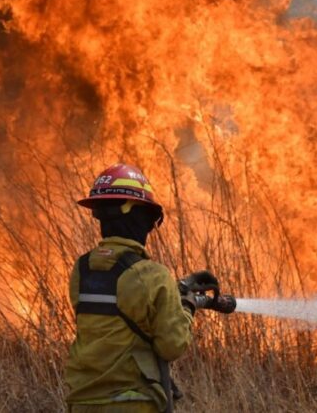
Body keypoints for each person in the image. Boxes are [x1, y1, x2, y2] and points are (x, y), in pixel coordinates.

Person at [65, 163, 213, 413]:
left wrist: (172, 293)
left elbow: (118, 314)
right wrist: (186, 305)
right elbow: (172, 344)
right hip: (131, 403)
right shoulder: (152, 275)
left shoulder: (82, 269)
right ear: (138, 217)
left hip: (82, 401)